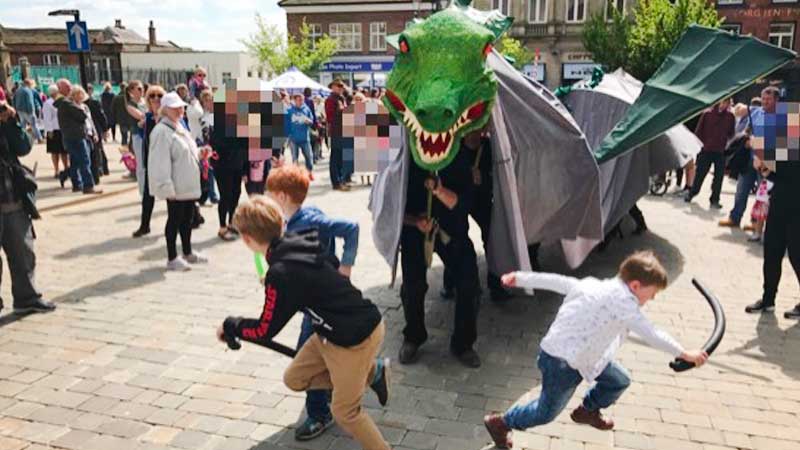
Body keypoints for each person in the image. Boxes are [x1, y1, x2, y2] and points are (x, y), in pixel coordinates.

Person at [483, 251, 708, 449]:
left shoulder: (593, 284)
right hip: (562, 363)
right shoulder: (625, 304)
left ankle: (587, 411)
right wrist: (684, 352)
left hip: (589, 358)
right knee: (545, 413)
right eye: (652, 293)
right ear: (636, 286)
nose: (652, 298)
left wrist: (520, 278)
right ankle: (501, 423)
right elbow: (652, 333)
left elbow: (556, 281)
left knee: (619, 380)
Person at [217, 195, 390, 450]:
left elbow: (265, 330)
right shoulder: (299, 240)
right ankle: (372, 371)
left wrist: (231, 325)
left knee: (345, 412)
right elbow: (326, 266)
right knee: (295, 378)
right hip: (329, 334)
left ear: (247, 239)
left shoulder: (280, 272)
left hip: (355, 338)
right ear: (281, 224)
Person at [265, 164, 366, 441]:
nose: (270, 200)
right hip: (314, 300)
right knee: (327, 351)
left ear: (283, 196)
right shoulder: (294, 219)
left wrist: (346, 266)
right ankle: (363, 376)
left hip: (321, 302)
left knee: (305, 356)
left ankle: (320, 412)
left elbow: (352, 228)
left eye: (272, 195)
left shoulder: (308, 220)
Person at [399, 132, 482, 368]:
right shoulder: (404, 158)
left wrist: (439, 191)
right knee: (413, 286)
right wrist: (415, 222)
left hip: (452, 231)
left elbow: (464, 202)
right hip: (415, 231)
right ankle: (413, 336)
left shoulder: (459, 156)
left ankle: (463, 344)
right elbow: (390, 210)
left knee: (468, 283)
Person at [745, 89, 800, 318]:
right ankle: (768, 299)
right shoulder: (786, 134)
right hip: (780, 201)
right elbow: (779, 173)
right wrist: (764, 167)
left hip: (797, 205)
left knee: (797, 255)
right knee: (772, 250)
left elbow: (791, 169)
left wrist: (766, 160)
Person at [0, 100, 56, 315]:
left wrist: (12, 121)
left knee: (23, 251)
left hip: (11, 197)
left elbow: (23, 147)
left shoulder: (6, 122)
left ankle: (26, 298)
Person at [441, 131, 510, 302]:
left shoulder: (489, 147)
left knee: (491, 237)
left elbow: (500, 173)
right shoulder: (455, 149)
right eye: (471, 130)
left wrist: (484, 179)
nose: (474, 135)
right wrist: (467, 176)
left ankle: (495, 285)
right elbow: (446, 177)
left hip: (481, 199)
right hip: (460, 200)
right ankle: (451, 283)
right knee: (456, 239)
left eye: (478, 129)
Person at [148, 92, 208, 271]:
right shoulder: (161, 131)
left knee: (187, 219)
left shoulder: (179, 127)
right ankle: (172, 256)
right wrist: (166, 188)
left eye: (181, 107)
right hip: (176, 186)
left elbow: (187, 152)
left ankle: (187, 252)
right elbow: (160, 162)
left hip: (187, 185)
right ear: (165, 110)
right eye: (175, 108)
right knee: (174, 220)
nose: (180, 110)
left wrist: (200, 153)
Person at [720, 91, 776, 231]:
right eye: (763, 98)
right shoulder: (756, 112)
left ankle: (755, 222)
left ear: (776, 100)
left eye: (768, 99)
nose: (765, 101)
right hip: (749, 159)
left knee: (761, 195)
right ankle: (735, 218)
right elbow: (747, 128)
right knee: (741, 190)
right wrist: (746, 139)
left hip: (766, 163)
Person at [685, 99, 735, 209]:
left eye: (726, 102)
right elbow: (699, 131)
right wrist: (699, 146)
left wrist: (725, 141)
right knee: (700, 174)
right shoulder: (707, 114)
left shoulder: (730, 117)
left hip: (720, 151)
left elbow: (731, 133)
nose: (723, 104)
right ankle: (692, 193)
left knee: (718, 177)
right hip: (706, 149)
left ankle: (715, 199)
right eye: (722, 102)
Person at [131, 85, 165, 238]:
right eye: (152, 96)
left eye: (159, 96)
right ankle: (145, 226)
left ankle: (194, 217)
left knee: (175, 194)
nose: (156, 99)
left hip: (168, 162)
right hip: (152, 162)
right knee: (148, 195)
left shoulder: (168, 116)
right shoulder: (148, 118)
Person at [57, 86, 102, 195]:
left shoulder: (68, 105)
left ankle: (77, 184)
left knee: (75, 161)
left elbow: (88, 120)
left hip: (76, 136)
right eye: (78, 94)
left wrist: (94, 132)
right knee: (84, 160)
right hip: (77, 136)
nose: (80, 96)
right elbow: (82, 116)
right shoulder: (67, 104)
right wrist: (82, 111)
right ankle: (88, 186)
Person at [190, 90, 219, 206]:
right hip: (206, 144)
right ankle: (211, 195)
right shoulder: (201, 115)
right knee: (208, 170)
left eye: (210, 99)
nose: (208, 103)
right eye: (205, 100)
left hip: (218, 145)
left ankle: (212, 194)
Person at [325, 79, 349, 191]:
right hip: (336, 132)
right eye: (338, 86)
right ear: (333, 87)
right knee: (335, 158)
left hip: (343, 131)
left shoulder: (341, 99)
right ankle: (336, 183)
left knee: (340, 158)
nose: (341, 88)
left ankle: (341, 180)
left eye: (342, 86)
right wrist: (342, 112)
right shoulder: (330, 100)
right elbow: (330, 118)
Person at [42, 85, 68, 179]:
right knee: (55, 151)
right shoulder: (48, 103)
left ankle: (66, 168)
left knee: (64, 151)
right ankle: (56, 169)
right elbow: (47, 118)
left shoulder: (62, 101)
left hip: (62, 128)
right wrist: (49, 131)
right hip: (54, 129)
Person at [285, 94, 315, 176]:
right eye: (299, 100)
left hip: (305, 138)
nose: (301, 102)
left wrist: (308, 121)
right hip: (293, 139)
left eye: (302, 100)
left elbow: (312, 121)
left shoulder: (306, 109)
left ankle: (309, 173)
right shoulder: (290, 110)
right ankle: (297, 175)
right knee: (295, 159)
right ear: (295, 101)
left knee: (309, 157)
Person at [85, 85, 110, 182]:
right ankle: (101, 169)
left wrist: (105, 129)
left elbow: (101, 116)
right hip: (93, 128)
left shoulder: (93, 103)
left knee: (97, 150)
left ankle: (101, 168)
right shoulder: (93, 102)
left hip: (96, 128)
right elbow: (102, 116)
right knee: (98, 149)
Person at [13, 79, 43, 143]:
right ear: (28, 84)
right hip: (28, 111)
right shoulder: (28, 90)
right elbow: (30, 102)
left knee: (23, 126)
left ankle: (22, 140)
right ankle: (39, 139)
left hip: (19, 110)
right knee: (34, 125)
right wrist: (32, 111)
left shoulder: (17, 90)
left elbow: (14, 100)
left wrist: (15, 109)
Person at [747, 178, 772, 243]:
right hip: (764, 192)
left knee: (771, 218)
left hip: (774, 190)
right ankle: (758, 233)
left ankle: (767, 236)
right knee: (760, 217)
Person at [111, 82, 130, 147]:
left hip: (121, 119)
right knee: (132, 137)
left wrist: (115, 118)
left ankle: (125, 152)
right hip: (130, 118)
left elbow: (113, 109)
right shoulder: (129, 98)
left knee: (124, 136)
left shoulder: (116, 98)